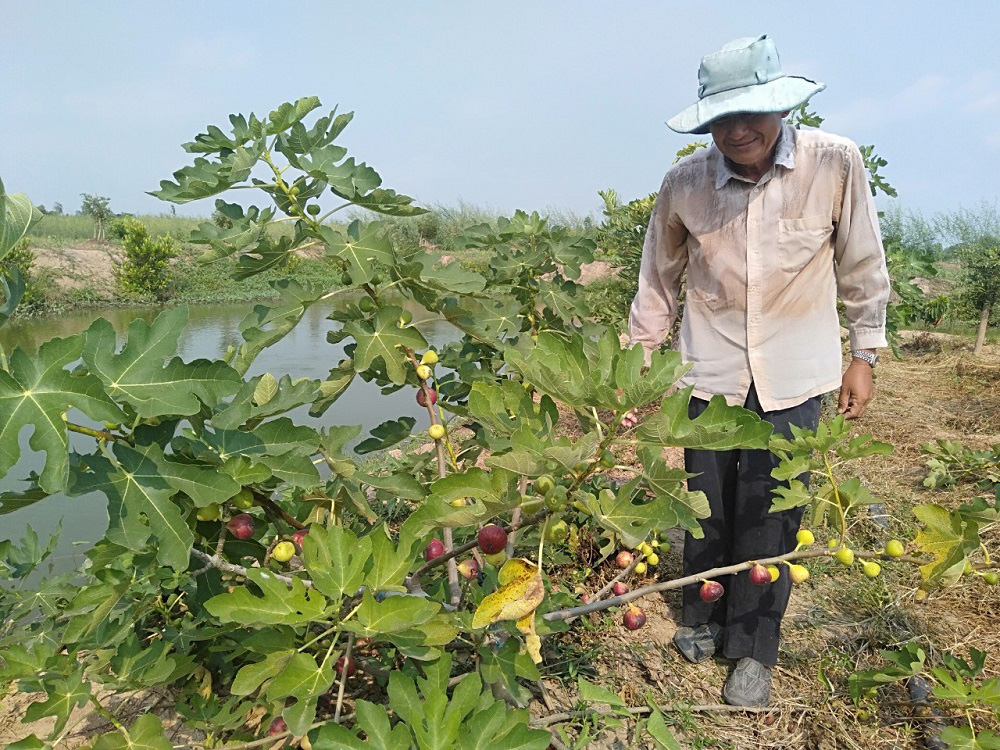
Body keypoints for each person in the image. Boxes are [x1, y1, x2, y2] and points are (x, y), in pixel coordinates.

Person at [626, 34, 891, 706]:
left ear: (781, 107)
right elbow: (656, 283)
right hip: (707, 372)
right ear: (707, 120)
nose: (738, 131)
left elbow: (861, 262)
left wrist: (864, 354)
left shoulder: (833, 162)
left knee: (772, 514)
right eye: (722, 118)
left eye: (753, 114)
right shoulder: (685, 182)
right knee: (705, 508)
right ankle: (702, 616)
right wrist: (635, 370)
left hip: (796, 373)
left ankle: (753, 648)